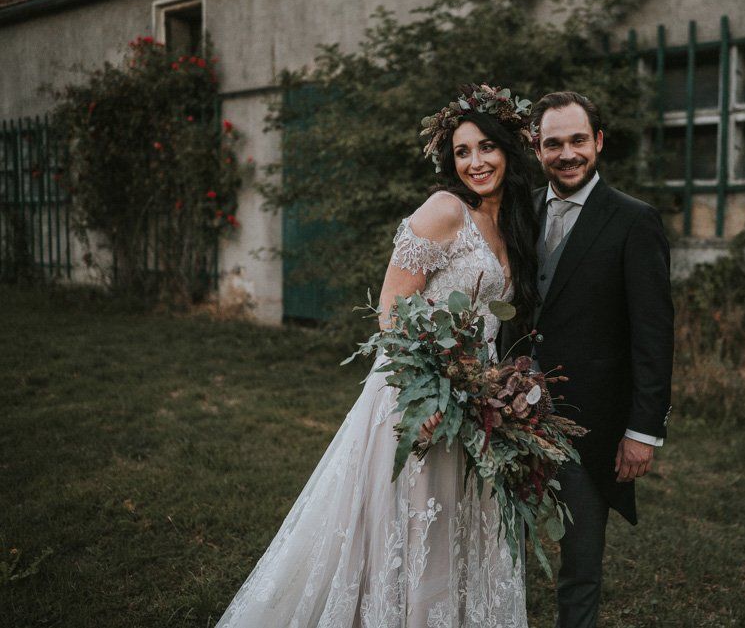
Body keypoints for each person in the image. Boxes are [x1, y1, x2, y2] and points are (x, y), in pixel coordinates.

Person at [216, 85, 539, 628]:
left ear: (508, 148)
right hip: (420, 392)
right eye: (463, 151)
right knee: (410, 521)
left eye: (486, 147)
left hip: (477, 394)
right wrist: (426, 388)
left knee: (460, 519)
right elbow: (393, 304)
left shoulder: (513, 222)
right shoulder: (444, 209)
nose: (476, 162)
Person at [503, 91, 674, 628]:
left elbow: (654, 335)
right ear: (537, 150)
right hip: (512, 419)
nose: (567, 153)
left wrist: (643, 431)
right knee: (502, 551)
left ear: (598, 142)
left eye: (578, 140)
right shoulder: (520, 211)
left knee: (579, 565)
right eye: (553, 144)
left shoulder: (633, 221)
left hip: (590, 426)